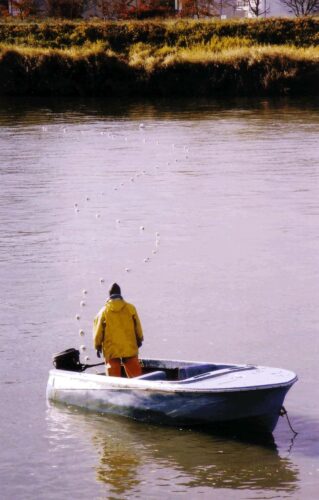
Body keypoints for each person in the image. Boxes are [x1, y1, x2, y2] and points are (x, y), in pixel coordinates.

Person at [93, 283, 144, 377]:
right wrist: (140, 339)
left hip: (111, 351)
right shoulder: (131, 308)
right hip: (129, 347)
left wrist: (97, 346)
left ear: (109, 295)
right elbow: (138, 327)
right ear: (120, 294)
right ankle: (139, 389)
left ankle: (116, 389)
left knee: (113, 380)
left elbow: (98, 332)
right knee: (137, 378)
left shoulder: (103, 312)